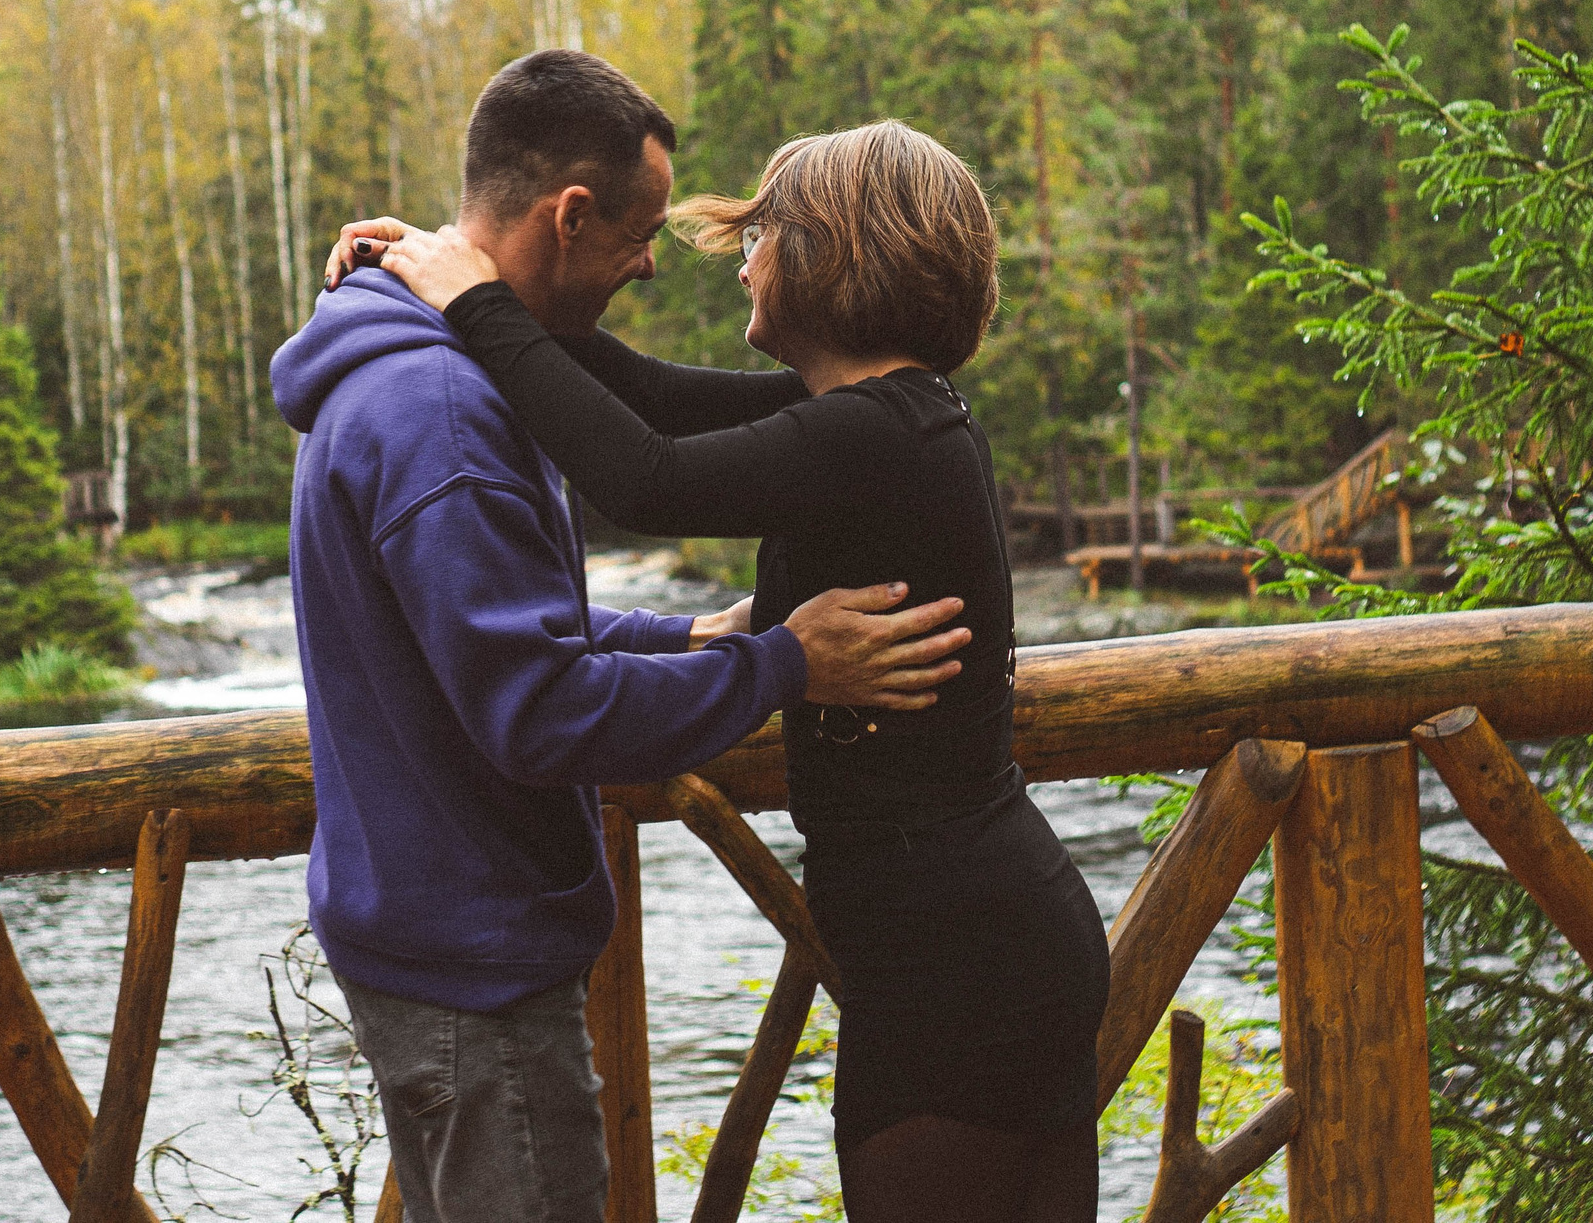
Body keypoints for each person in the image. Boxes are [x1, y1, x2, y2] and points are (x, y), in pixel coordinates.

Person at [331, 119, 1108, 1223]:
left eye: (762, 237)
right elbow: (644, 395)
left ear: (834, 257)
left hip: (956, 964)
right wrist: (458, 263)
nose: (743, 262)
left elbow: (644, 479)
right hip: (982, 934)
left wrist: (477, 299)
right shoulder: (887, 416)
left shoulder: (870, 434)